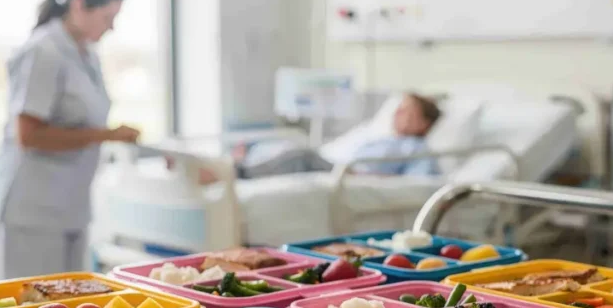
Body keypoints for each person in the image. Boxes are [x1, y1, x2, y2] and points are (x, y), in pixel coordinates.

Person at [0, 0, 141, 279]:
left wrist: (108, 135)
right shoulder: (44, 51)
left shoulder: (86, 54)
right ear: (79, 6)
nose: (113, 27)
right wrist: (107, 135)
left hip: (69, 205)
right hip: (32, 209)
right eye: (108, 17)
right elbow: (29, 134)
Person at [172, 93, 443, 184]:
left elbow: (416, 183)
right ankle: (216, 161)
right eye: (400, 106)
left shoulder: (417, 148)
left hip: (348, 174)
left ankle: (230, 172)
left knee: (301, 154)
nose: (398, 112)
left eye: (408, 110)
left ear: (423, 123)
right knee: (285, 145)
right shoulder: (373, 133)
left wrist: (362, 176)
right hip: (334, 161)